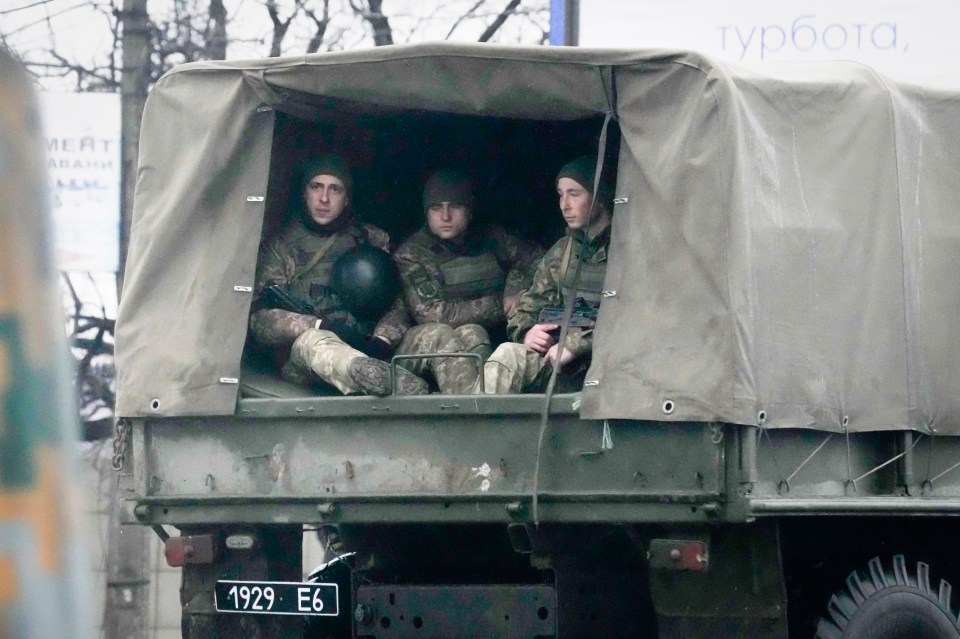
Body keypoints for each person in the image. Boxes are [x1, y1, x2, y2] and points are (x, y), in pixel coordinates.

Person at [249, 156, 428, 396]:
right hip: (309, 360)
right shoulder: (282, 247)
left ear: (346, 199)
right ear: (305, 194)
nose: (324, 199)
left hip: (373, 347)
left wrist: (382, 340)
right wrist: (318, 325)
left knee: (438, 336)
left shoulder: (371, 239)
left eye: (335, 189)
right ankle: (374, 376)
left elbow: (398, 302)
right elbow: (260, 321)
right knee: (314, 342)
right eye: (316, 187)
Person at [392, 169, 542, 394]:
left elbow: (540, 260)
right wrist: (500, 304)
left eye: (454, 206)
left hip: (492, 341)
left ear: (469, 211)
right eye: (436, 208)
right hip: (433, 349)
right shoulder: (412, 254)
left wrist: (517, 285)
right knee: (471, 332)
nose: (445, 216)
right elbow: (435, 315)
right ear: (426, 213)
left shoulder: (493, 239)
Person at [483, 155, 612, 394]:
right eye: (561, 194)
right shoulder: (563, 252)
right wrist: (527, 332)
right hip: (567, 371)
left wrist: (575, 345)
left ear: (600, 197)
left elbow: (637, 318)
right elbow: (529, 307)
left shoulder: (630, 251)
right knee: (508, 356)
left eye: (574, 194)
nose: (565, 205)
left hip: (615, 374)